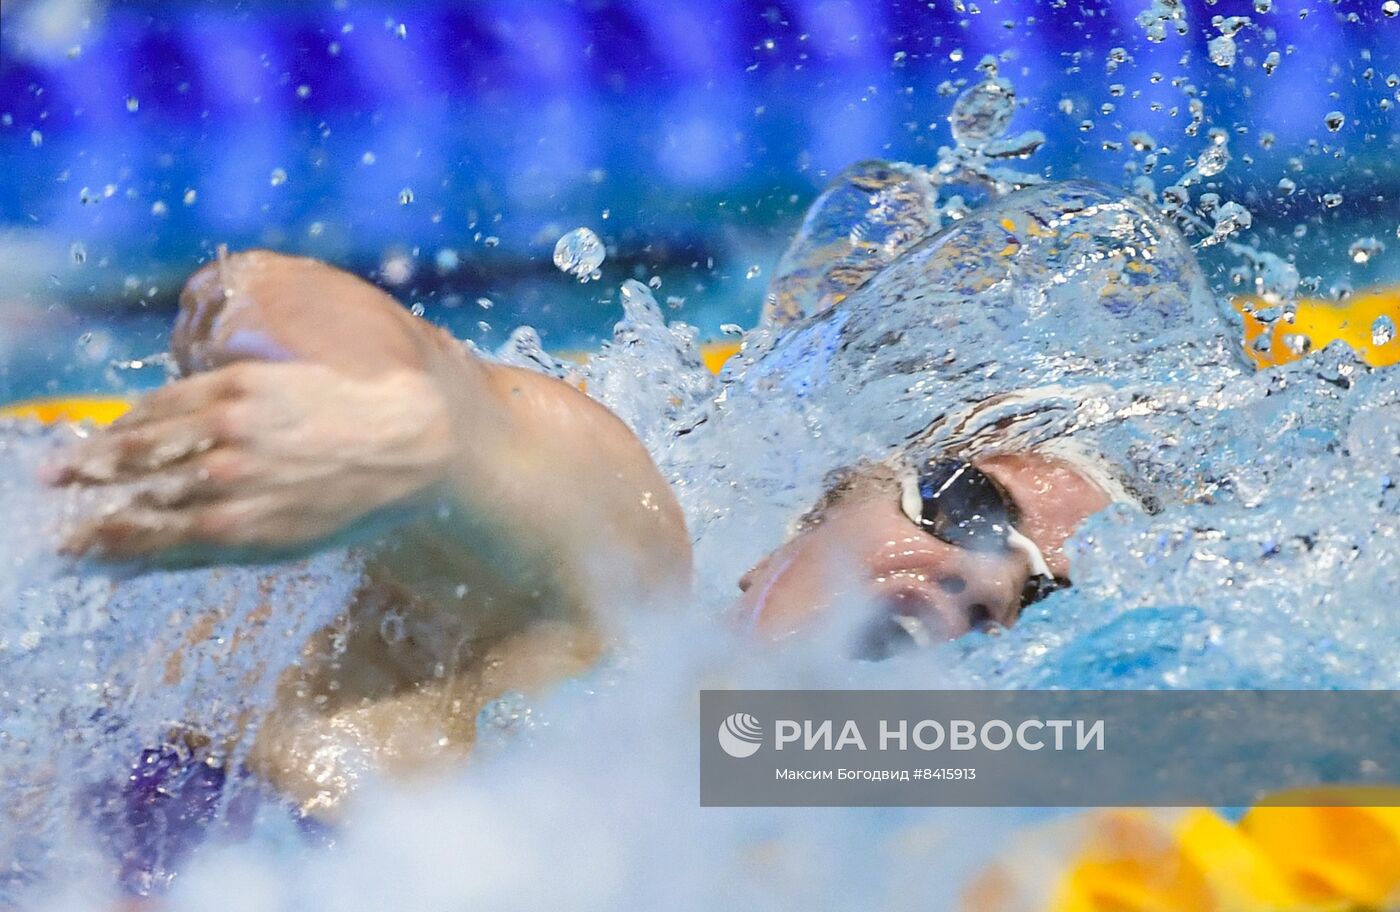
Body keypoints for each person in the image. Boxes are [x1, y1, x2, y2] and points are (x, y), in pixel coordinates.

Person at [43, 176, 1166, 816]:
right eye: (965, 508)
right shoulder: (603, 602)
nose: (973, 581)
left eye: (1043, 602)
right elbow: (285, 301)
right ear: (803, 518)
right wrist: (387, 421)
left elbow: (1294, 745)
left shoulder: (761, 822)